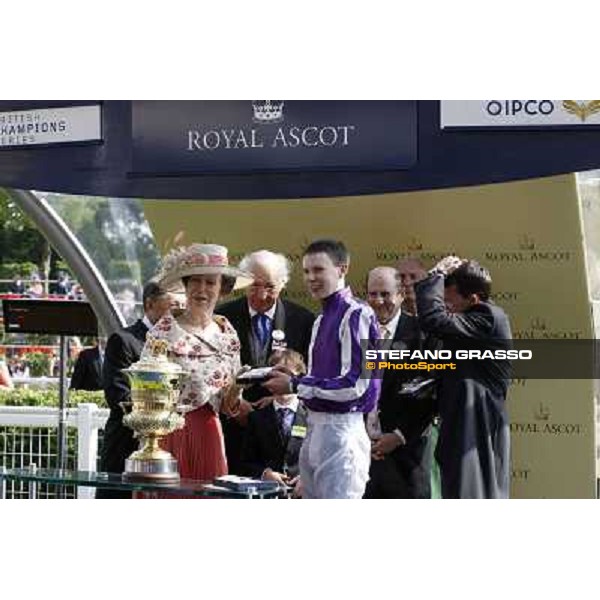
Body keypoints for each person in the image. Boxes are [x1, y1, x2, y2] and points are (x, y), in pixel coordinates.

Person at [265, 239, 381, 499]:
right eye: (306, 271)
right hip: (314, 430)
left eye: (318, 270)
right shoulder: (319, 321)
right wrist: (293, 378)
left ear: (342, 269)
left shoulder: (359, 314)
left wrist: (295, 385)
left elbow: (357, 385)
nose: (310, 278)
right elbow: (319, 381)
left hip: (343, 432)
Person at [145, 243, 253, 481]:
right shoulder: (162, 332)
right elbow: (145, 395)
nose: (201, 289)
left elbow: (228, 406)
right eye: (195, 280)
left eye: (210, 282)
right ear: (185, 285)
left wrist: (235, 390)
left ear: (222, 288)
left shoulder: (228, 334)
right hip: (166, 435)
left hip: (209, 434)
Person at [415, 256, 512, 499]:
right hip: (464, 422)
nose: (445, 307)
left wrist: (435, 275)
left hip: (478, 425)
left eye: (449, 301)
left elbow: (433, 320)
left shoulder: (488, 317)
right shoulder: (470, 322)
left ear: (473, 299)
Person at [216, 249, 314, 474]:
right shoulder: (223, 318)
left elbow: (311, 375)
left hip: (281, 438)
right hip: (232, 431)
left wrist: (283, 397)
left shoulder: (303, 320)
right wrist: (234, 402)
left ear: (283, 284)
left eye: (269, 287)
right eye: (254, 285)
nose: (261, 295)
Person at [97, 281, 175, 499]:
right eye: (172, 306)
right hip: (126, 447)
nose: (177, 312)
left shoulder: (181, 343)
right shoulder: (124, 341)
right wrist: (160, 415)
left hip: (172, 447)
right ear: (150, 304)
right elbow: (117, 394)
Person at [363, 266, 433, 499]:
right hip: (362, 457)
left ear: (401, 294)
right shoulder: (355, 331)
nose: (378, 301)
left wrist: (399, 436)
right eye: (373, 294)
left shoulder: (421, 335)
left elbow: (430, 394)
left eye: (385, 294)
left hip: (405, 458)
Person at [241, 349, 307, 498]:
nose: (282, 382)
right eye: (276, 376)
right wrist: (265, 473)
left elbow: (320, 456)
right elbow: (246, 462)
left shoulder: (312, 417)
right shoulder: (257, 418)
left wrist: (306, 477)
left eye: (288, 376)